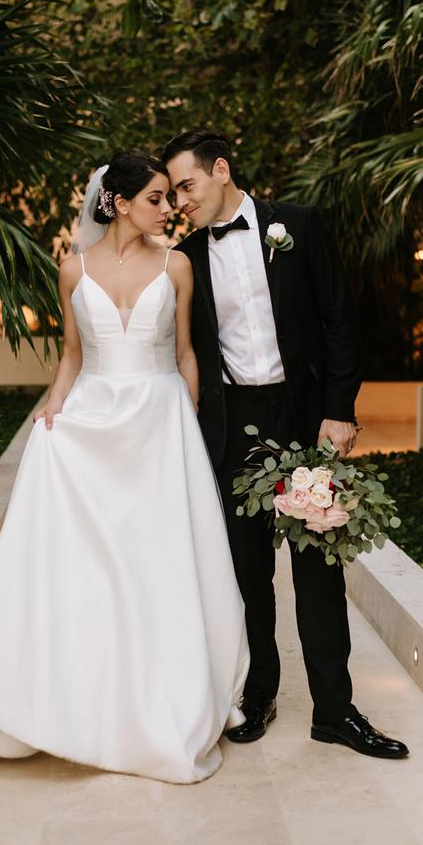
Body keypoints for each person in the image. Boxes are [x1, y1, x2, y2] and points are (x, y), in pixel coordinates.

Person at [0, 151, 250, 784]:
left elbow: (186, 353)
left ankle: (176, 688)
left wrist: (187, 418)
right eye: (157, 199)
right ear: (119, 203)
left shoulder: (178, 265)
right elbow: (73, 353)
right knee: (95, 564)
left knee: (161, 559)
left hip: (160, 422)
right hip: (96, 420)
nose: (170, 209)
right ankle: (79, 697)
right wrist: (53, 408)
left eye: (170, 197)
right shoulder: (72, 268)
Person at [163, 130, 409, 760]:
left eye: (187, 185)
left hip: (304, 419)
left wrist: (338, 410)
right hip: (233, 426)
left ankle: (335, 710)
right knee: (247, 572)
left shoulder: (298, 225)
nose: (180, 200)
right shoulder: (187, 255)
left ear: (221, 170)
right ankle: (260, 695)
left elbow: (338, 320)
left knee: (319, 569)